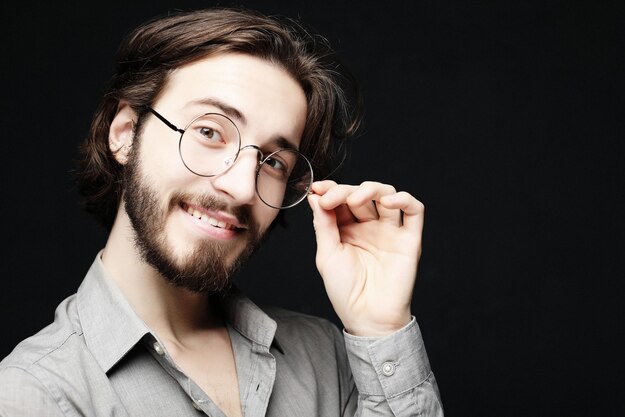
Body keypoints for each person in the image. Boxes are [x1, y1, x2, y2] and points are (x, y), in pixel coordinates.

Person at [0, 7, 443, 417]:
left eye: (273, 161)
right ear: (125, 133)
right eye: (209, 131)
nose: (240, 186)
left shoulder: (326, 358)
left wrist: (381, 327)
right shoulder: (35, 394)